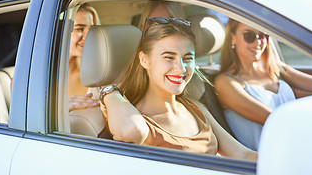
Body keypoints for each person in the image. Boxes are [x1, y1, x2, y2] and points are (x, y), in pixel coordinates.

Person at [100, 17, 257, 160]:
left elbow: (242, 154)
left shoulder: (195, 108)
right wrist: (109, 92)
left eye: (187, 58)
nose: (180, 69)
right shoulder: (137, 120)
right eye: (169, 57)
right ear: (144, 60)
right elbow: (130, 130)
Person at [214, 19, 312, 151]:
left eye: (262, 36)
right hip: (276, 158)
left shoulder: (277, 69)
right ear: (232, 38)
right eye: (249, 36)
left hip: (298, 144)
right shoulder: (226, 83)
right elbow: (273, 118)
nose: (257, 42)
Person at [68, 4, 101, 112]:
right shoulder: (31, 79)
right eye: (80, 29)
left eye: (91, 29)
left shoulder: (99, 76)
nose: (88, 36)